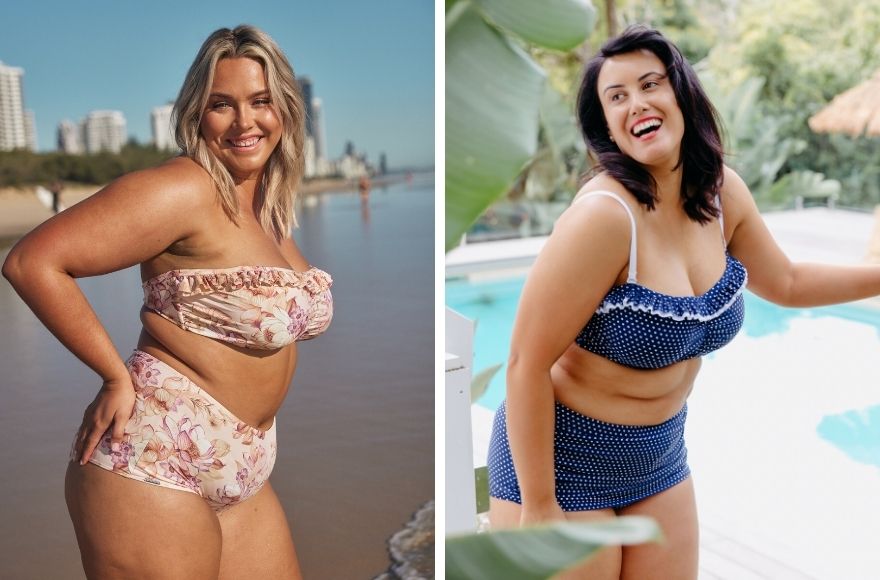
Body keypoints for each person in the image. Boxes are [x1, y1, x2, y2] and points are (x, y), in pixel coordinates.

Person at [485, 25, 880, 579]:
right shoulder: (603, 219)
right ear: (606, 127)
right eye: (616, 97)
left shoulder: (720, 192)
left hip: (660, 456)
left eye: (651, 84)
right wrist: (540, 508)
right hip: (565, 464)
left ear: (680, 94)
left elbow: (787, 282)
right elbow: (526, 362)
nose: (637, 103)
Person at [2, 25, 332, 579]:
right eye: (221, 105)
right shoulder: (183, 189)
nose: (245, 121)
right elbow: (32, 261)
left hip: (245, 464)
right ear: (196, 114)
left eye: (261, 101)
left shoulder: (268, 209)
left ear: (285, 110)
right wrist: (112, 375)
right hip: (153, 461)